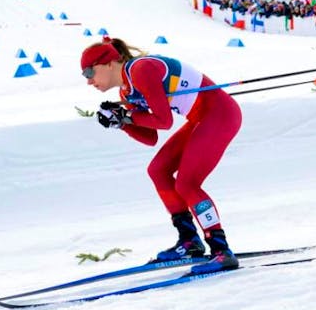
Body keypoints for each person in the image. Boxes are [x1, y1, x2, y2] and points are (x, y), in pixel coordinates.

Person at [81, 37, 242, 273]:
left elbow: (164, 121)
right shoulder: (128, 91)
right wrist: (122, 123)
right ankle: (189, 241)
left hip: (220, 114)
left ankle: (221, 250)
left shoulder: (141, 69)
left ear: (107, 63)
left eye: (88, 72)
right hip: (200, 118)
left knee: (188, 184)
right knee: (158, 170)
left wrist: (127, 117)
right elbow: (151, 137)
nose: (88, 81)